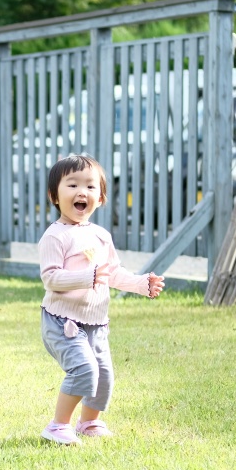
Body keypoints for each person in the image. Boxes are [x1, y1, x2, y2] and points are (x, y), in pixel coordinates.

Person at [39, 153, 164, 444]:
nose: (82, 192)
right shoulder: (55, 236)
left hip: (96, 322)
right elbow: (51, 279)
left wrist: (142, 284)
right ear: (54, 195)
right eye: (72, 185)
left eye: (90, 186)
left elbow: (113, 273)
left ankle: (89, 422)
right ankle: (58, 426)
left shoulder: (101, 235)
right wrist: (87, 277)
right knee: (84, 369)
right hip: (62, 321)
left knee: (104, 374)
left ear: (101, 197)